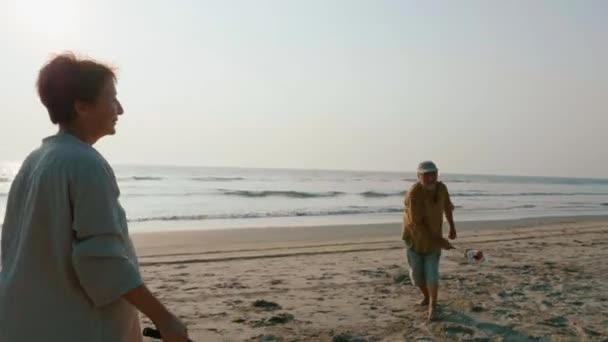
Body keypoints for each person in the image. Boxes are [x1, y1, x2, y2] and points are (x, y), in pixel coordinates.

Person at [0, 53, 189, 342]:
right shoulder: (85, 164)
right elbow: (102, 261)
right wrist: (165, 319)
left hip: (23, 323)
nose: (120, 109)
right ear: (82, 107)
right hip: (74, 327)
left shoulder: (33, 161)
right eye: (112, 98)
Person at [402, 160, 456, 321]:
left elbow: (447, 207)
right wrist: (440, 241)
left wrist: (452, 227)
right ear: (419, 176)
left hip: (434, 241)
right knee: (417, 277)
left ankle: (433, 305)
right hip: (414, 239)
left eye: (433, 173)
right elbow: (417, 224)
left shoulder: (442, 188)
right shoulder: (414, 193)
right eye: (426, 175)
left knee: (432, 274)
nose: (431, 177)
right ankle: (426, 296)